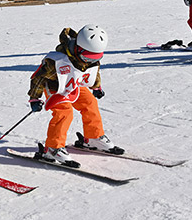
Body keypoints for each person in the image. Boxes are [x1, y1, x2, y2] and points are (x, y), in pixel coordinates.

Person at [27, 25, 123, 166]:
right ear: (78, 49)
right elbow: (38, 78)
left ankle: (93, 137)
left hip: (74, 85)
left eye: (95, 57)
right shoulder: (56, 61)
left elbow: (93, 71)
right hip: (56, 88)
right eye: (87, 57)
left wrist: (96, 87)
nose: (89, 61)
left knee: (90, 103)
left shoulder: (89, 58)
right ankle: (52, 148)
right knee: (64, 112)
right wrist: (35, 98)